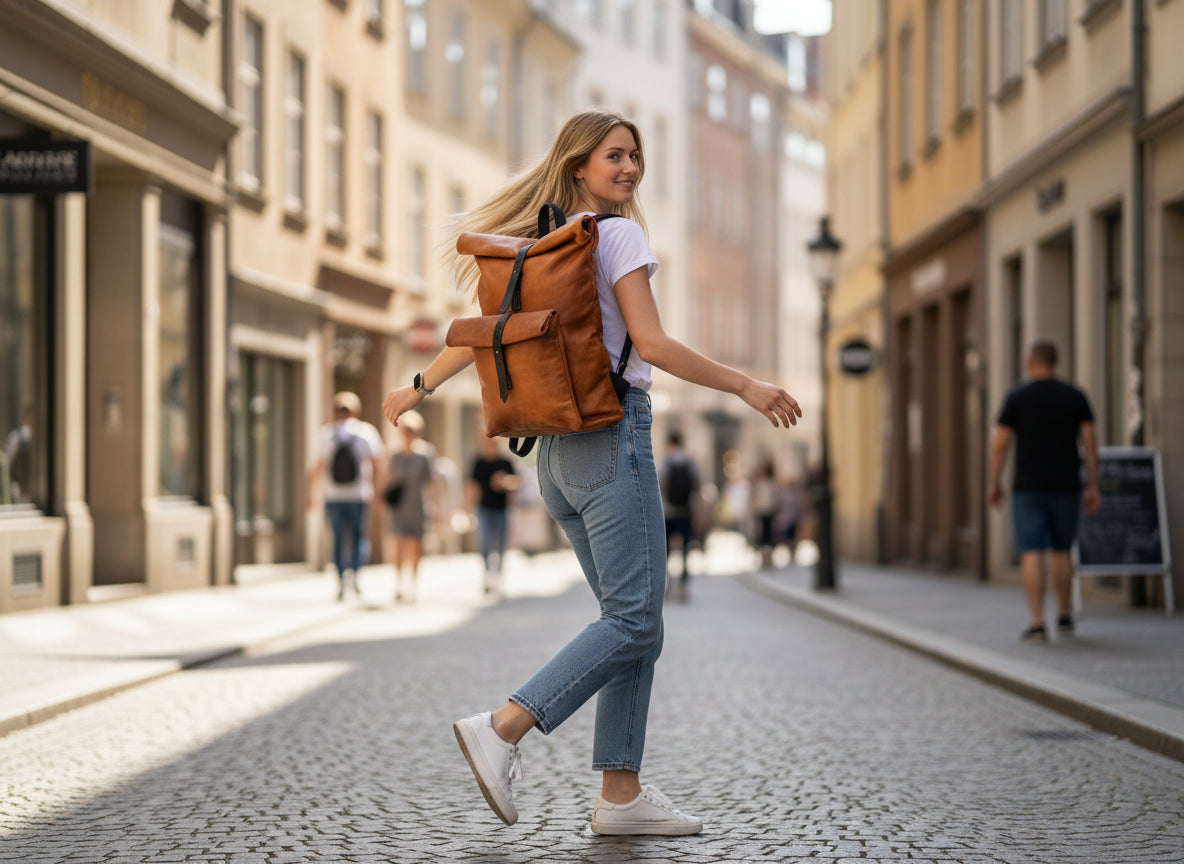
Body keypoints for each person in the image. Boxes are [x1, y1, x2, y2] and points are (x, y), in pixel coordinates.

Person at [382, 110, 801, 835]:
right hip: (613, 440)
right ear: (579, 165)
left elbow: (485, 335)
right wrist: (745, 386)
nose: (630, 168)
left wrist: (415, 387)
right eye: (615, 156)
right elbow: (653, 344)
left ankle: (620, 795)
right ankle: (504, 726)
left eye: (635, 156)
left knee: (635, 623)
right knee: (636, 619)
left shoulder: (538, 246)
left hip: (557, 460)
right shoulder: (617, 235)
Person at [988, 338, 1100, 643]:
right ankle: (1064, 615)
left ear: (1030, 361)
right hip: (1065, 484)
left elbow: (1000, 444)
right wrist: (1093, 483)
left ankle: (1037, 623)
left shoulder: (1017, 396)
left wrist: (994, 481)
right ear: (1055, 361)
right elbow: (1090, 443)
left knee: (1032, 550)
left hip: (1029, 486)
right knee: (1062, 549)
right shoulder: (1074, 396)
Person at [306, 391, 386, 601]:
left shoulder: (326, 434)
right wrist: (378, 493)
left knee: (338, 539)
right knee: (360, 538)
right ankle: (356, 576)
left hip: (333, 495)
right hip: (360, 494)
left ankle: (342, 580)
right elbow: (379, 465)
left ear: (334, 412)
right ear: (356, 411)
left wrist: (311, 493)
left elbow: (319, 467)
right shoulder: (366, 433)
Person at [384, 410, 436, 604]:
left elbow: (431, 483)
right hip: (398, 506)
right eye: (404, 431)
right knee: (397, 544)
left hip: (417, 505)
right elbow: (387, 479)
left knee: (415, 546)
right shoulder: (394, 455)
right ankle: (398, 584)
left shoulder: (425, 455)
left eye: (411, 432)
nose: (407, 436)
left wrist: (435, 508)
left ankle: (413, 585)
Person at [468, 435, 520, 596]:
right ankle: (487, 576)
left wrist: (504, 482)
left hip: (502, 509)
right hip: (483, 509)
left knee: (500, 544)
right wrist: (467, 509)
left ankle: (498, 576)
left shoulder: (505, 463)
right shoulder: (479, 463)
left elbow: (517, 483)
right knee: (484, 544)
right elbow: (472, 486)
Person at [658, 431, 700, 601]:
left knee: (665, 551)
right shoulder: (690, 463)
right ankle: (683, 587)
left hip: (667, 512)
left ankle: (668, 586)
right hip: (686, 510)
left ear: (669, 443)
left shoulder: (664, 462)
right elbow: (698, 486)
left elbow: (658, 485)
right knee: (684, 550)